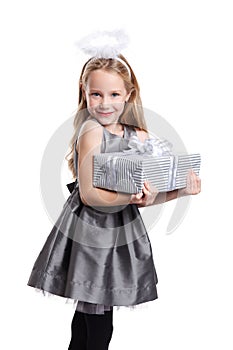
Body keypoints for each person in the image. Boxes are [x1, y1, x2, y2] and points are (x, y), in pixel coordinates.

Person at [27, 32, 201, 350]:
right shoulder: (91, 132)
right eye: (96, 94)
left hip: (120, 235)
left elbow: (147, 195)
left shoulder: (139, 136)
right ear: (85, 92)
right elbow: (89, 195)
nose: (105, 103)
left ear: (128, 94)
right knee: (97, 319)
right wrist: (129, 198)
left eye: (113, 94)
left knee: (92, 316)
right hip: (92, 233)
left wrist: (179, 192)